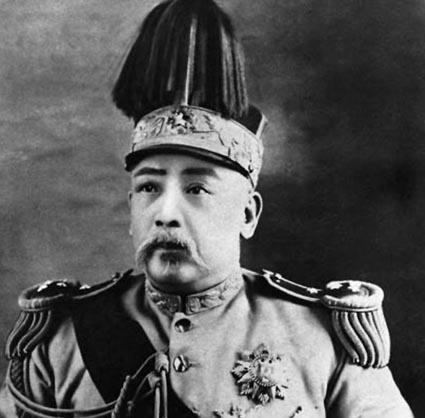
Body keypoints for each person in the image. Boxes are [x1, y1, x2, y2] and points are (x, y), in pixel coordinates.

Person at [0, 0, 413, 417]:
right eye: (148, 187)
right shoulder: (59, 344)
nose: (165, 212)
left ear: (248, 214)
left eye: (196, 188)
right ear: (131, 207)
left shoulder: (321, 341)